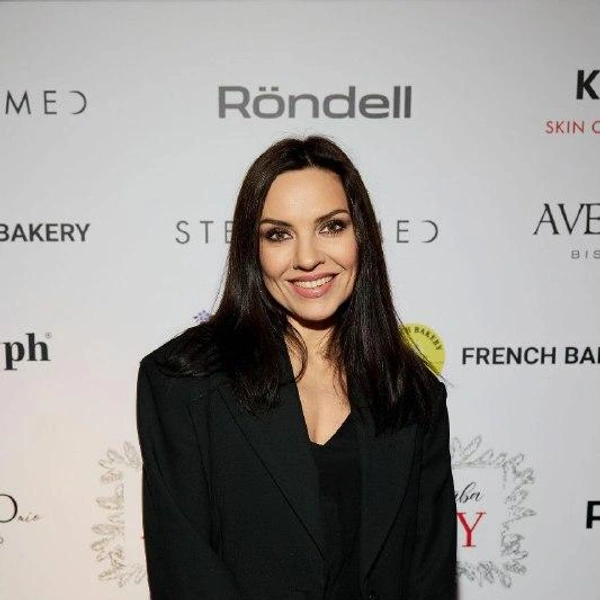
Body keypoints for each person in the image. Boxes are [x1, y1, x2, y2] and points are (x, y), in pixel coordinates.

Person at [136, 135, 456, 600]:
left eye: (331, 227)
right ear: (252, 249)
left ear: (362, 236)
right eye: (279, 234)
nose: (307, 258)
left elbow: (429, 577)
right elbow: (186, 576)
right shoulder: (183, 384)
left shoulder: (412, 395)